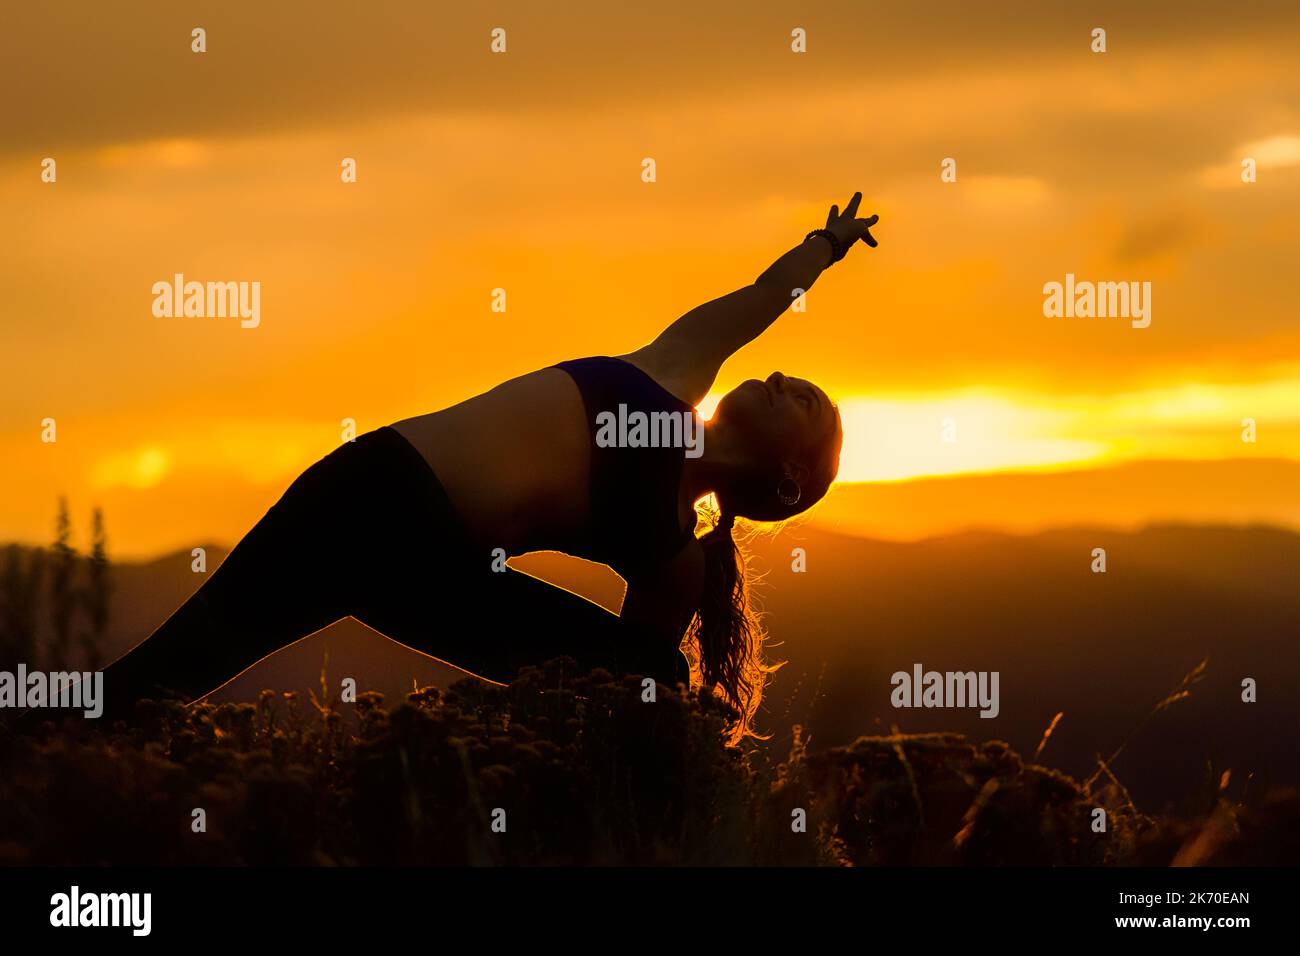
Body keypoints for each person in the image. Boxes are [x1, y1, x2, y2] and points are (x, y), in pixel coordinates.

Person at [94, 193, 878, 739]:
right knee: (155, 684)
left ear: (787, 482)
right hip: (369, 491)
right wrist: (828, 244)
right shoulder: (678, 368)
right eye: (791, 378)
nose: (780, 379)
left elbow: (620, 693)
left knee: (649, 679)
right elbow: (766, 293)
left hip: (431, 571)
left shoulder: (674, 559)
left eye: (803, 401)